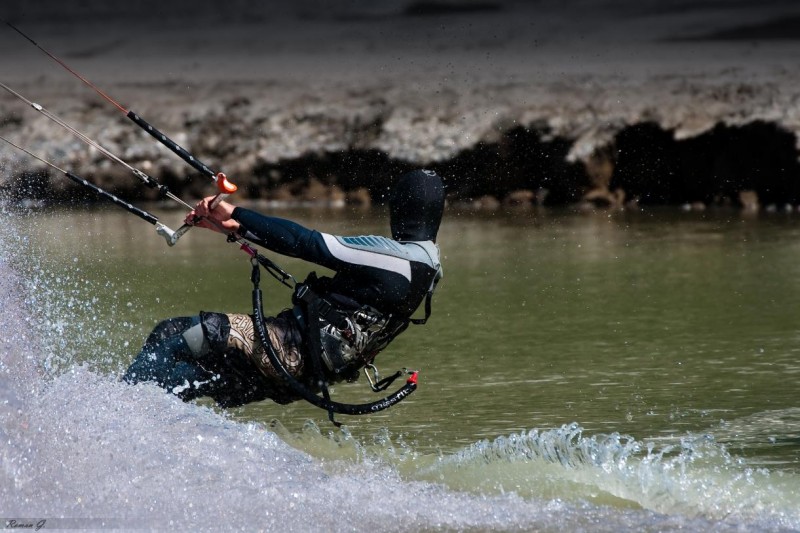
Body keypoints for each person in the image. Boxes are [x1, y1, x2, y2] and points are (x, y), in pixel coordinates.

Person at [122, 169, 445, 408]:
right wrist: (240, 228)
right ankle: (152, 430)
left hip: (289, 351)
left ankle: (116, 406)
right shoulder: (429, 267)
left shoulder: (394, 259)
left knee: (196, 334)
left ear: (399, 207)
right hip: (307, 375)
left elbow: (306, 243)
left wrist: (236, 213)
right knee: (192, 368)